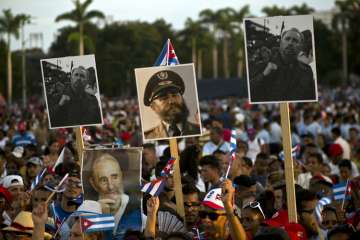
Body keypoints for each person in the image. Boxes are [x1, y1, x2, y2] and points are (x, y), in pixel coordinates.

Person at [250, 28, 316, 102]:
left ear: (301, 46)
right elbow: (249, 92)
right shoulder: (263, 65)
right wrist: (263, 75)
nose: (290, 43)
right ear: (281, 43)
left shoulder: (306, 71)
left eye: (295, 41)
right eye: (287, 39)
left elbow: (311, 98)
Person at [88, 153, 141, 239]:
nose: (110, 186)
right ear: (93, 183)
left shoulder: (139, 212)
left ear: (121, 176)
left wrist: (104, 219)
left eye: (114, 177)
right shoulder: (87, 214)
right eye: (103, 180)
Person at [143, 70, 200, 139]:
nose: (171, 101)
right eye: (163, 98)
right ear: (153, 107)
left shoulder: (198, 131)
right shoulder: (148, 137)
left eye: (174, 95)